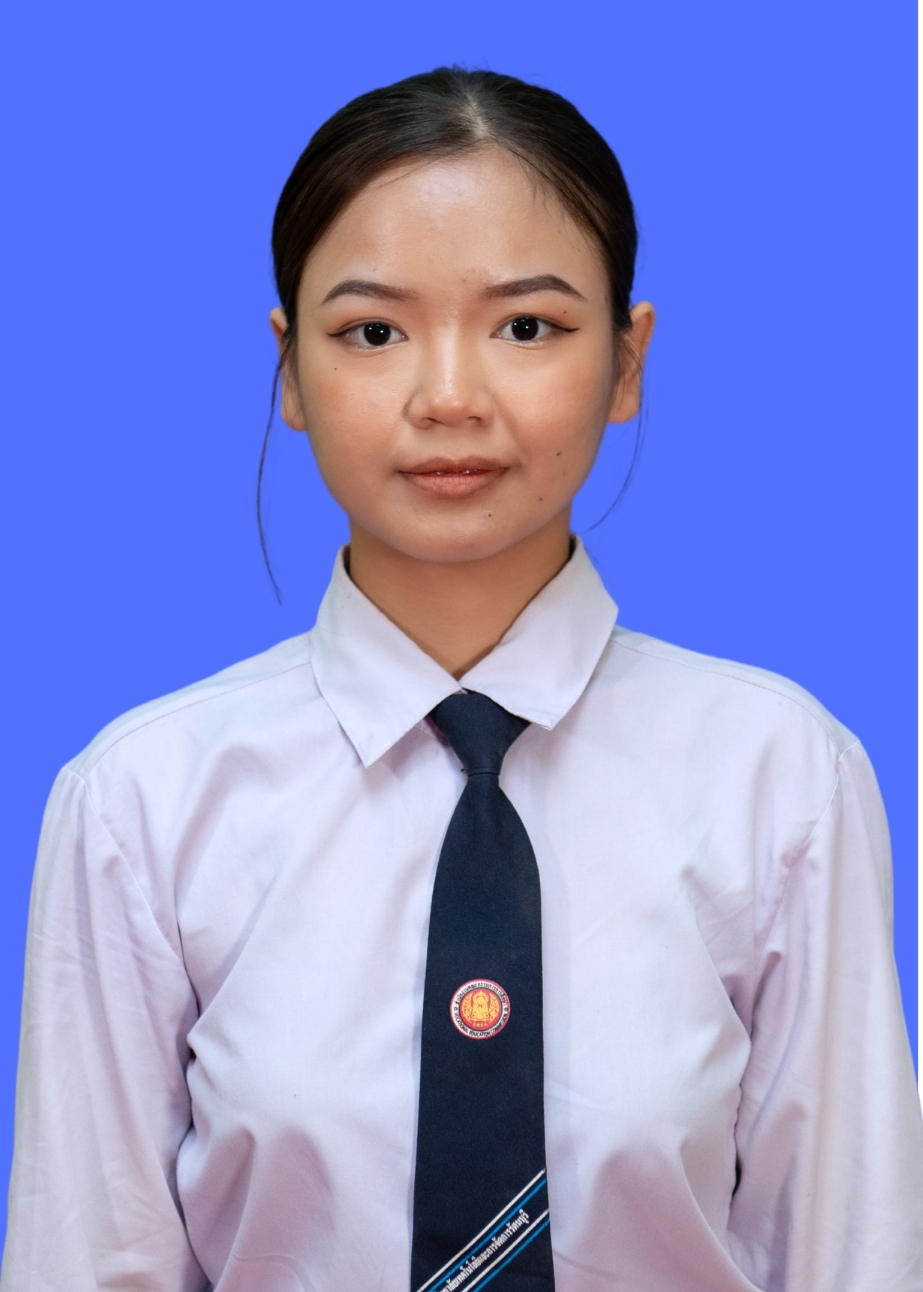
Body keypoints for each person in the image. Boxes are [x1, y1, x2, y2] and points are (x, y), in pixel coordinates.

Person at [1, 67, 921, 1292]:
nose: (447, 398)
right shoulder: (144, 800)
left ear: (628, 360)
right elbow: (84, 1257)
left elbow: (853, 1251)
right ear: (288, 369)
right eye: (372, 332)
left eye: (526, 326)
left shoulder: (781, 775)